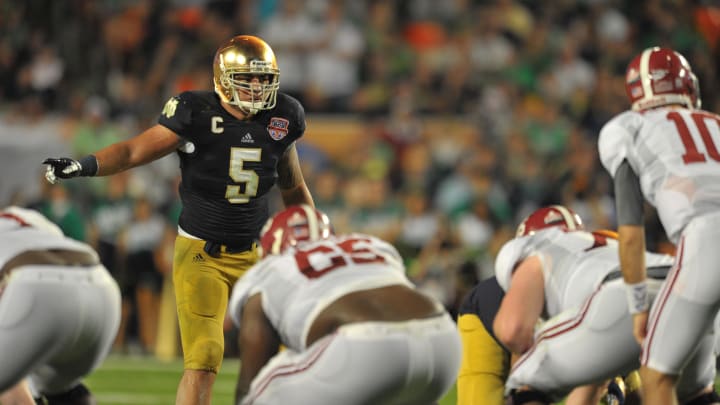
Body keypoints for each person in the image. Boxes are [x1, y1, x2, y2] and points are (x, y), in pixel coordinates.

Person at [42, 35, 315, 405]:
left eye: (263, 79)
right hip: (203, 254)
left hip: (258, 256)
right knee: (204, 358)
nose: (256, 87)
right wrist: (84, 165)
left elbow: (293, 185)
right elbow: (133, 150)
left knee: (289, 354)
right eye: (247, 78)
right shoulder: (194, 112)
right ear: (222, 78)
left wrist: (316, 236)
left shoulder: (283, 116)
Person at [227, 204, 461, 405]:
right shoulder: (370, 245)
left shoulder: (270, 270)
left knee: (258, 395)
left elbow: (252, 374)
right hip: (443, 339)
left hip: (366, 347)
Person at [598, 46, 720, 405]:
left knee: (656, 376)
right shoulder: (715, 122)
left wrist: (638, 307)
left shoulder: (627, 127)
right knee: (699, 387)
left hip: (706, 240)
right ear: (686, 85)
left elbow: (631, 233)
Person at [492, 205, 683, 405]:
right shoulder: (603, 245)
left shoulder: (535, 251)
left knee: (524, 378)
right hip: (682, 282)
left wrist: (529, 350)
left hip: (621, 297)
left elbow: (511, 330)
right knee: (695, 394)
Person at [0, 206, 121, 405]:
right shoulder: (17, 215)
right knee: (59, 388)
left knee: (11, 385)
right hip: (101, 288)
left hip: (37, 288)